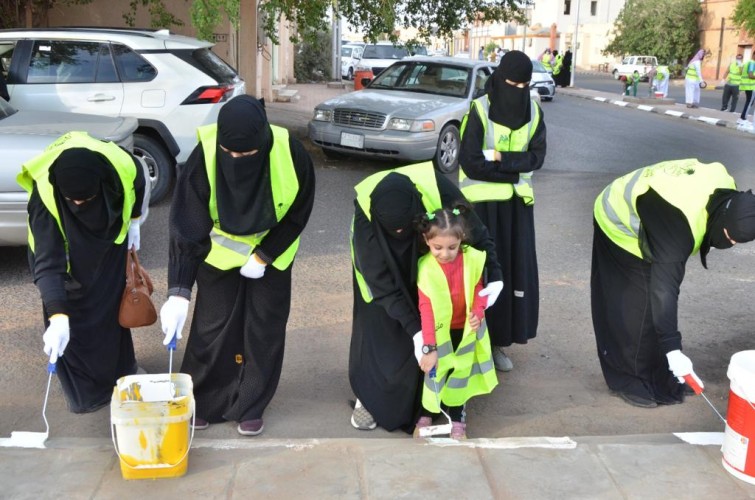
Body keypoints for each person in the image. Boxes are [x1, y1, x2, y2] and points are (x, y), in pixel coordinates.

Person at [160, 94, 315, 436]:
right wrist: (179, 291)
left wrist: (265, 255)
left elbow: (299, 211)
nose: (236, 159)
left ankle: (250, 402)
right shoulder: (206, 153)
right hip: (219, 255)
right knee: (212, 327)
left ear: (262, 142)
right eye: (230, 154)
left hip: (271, 257)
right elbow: (187, 224)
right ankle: (203, 399)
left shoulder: (291, 152)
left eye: (246, 155)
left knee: (264, 329)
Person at [349, 162, 503, 433]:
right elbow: (382, 284)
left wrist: (496, 273)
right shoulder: (365, 216)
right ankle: (370, 396)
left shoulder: (436, 186)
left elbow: (476, 233)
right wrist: (417, 332)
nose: (399, 236)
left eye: (404, 229)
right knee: (383, 334)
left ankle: (436, 399)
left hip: (428, 266)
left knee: (435, 335)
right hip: (381, 283)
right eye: (392, 232)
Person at [592, 159, 755, 408]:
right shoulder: (678, 224)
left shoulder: (729, 192)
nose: (730, 244)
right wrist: (673, 350)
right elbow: (664, 291)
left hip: (657, 215)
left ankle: (660, 373)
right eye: (729, 238)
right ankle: (627, 379)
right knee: (634, 306)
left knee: (651, 307)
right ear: (723, 222)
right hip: (620, 221)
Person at [17, 131, 146, 413]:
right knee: (73, 312)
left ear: (101, 184)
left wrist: (134, 219)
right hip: (63, 253)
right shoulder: (45, 198)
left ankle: (123, 369)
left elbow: (137, 180)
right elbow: (48, 264)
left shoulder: (120, 166)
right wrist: (57, 315)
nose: (78, 205)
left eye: (85, 199)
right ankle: (88, 391)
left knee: (111, 307)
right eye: (72, 201)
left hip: (108, 240)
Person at [458, 50, 547, 373]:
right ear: (498, 79)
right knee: (480, 275)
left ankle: (497, 343)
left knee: (510, 275)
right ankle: (472, 341)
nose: (517, 90)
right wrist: (511, 169)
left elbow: (537, 157)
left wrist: (498, 158)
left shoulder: (534, 113)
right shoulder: (479, 110)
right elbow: (470, 162)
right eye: (511, 83)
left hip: (516, 209)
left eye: (523, 85)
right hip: (480, 208)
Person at [414, 206, 498, 440]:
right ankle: (428, 411)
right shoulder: (425, 267)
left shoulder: (472, 259)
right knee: (435, 371)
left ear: (462, 239)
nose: (445, 254)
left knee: (461, 371)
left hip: (466, 329)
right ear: (426, 240)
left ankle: (458, 416)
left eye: (452, 247)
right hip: (440, 332)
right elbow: (426, 308)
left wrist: (478, 311)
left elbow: (478, 288)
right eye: (437, 248)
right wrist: (429, 348)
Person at [738, 55, 755, 127]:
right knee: (749, 102)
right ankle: (743, 119)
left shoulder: (747, 62)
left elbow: (741, 71)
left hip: (746, 85)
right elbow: (750, 75)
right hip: (750, 86)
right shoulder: (752, 63)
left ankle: (742, 118)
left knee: (749, 102)